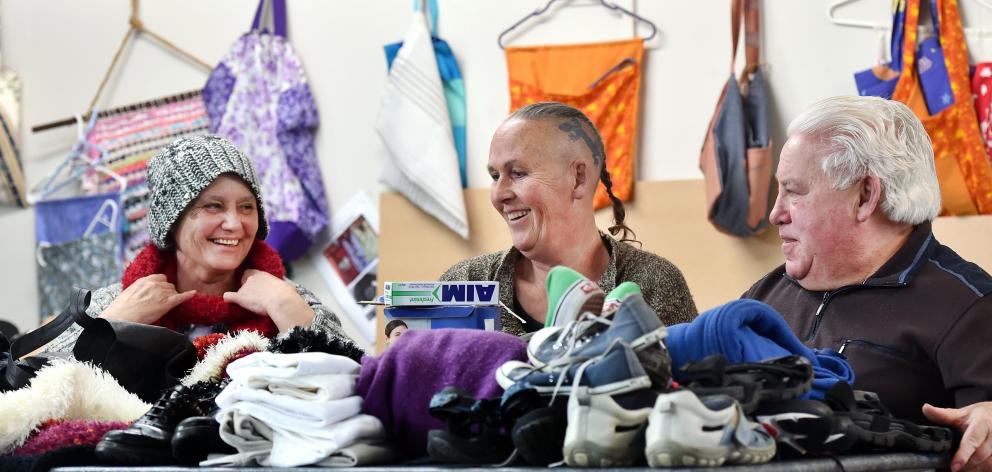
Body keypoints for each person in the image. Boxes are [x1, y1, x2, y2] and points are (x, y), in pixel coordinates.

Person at [743, 96, 992, 472]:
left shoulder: (969, 308)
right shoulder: (765, 296)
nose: (776, 213)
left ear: (865, 196)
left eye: (794, 191)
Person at [45, 135, 357, 354]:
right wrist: (113, 323)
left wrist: (287, 308)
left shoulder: (290, 297)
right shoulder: (118, 302)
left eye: (247, 207)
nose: (235, 224)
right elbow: (33, 383)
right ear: (173, 219)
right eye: (214, 206)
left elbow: (359, 383)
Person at [441, 102, 697, 335]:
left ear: (578, 178)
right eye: (495, 176)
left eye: (518, 173)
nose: (500, 193)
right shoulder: (465, 283)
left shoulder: (652, 283)